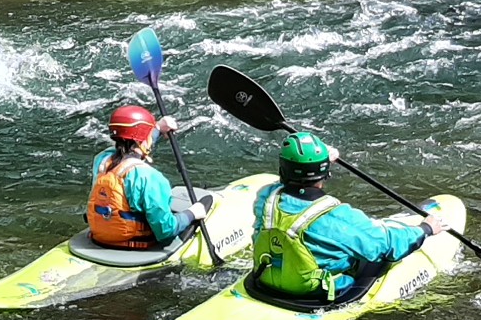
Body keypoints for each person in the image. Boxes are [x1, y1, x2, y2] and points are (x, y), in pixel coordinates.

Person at [250, 131, 447, 302]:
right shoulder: (336, 217)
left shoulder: (266, 198)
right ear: (325, 173)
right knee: (374, 255)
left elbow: (288, 183)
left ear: (282, 170)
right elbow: (385, 244)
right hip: (314, 292)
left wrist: (322, 159)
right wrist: (425, 229)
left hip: (266, 279)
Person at [86, 105, 207, 248]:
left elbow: (130, 147)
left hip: (99, 237)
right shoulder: (150, 177)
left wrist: (157, 129)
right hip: (134, 246)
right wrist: (191, 213)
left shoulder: (101, 161)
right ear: (143, 138)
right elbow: (166, 231)